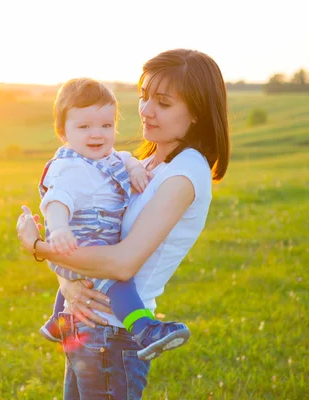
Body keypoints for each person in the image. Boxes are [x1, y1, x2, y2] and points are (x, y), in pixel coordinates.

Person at [16, 48, 230, 399]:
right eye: (144, 96)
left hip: (114, 336)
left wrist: (38, 248)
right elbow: (87, 226)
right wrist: (66, 283)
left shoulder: (186, 172)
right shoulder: (142, 162)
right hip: (86, 323)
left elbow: (122, 262)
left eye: (163, 102)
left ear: (196, 113)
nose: (145, 110)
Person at [37, 77, 191, 362]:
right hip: (81, 242)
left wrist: (134, 168)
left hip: (96, 241)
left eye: (106, 126)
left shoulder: (107, 156)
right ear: (63, 132)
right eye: (84, 127)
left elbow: (124, 157)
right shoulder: (69, 167)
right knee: (117, 282)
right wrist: (58, 228)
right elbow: (56, 200)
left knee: (99, 278)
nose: (97, 134)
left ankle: (58, 322)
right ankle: (144, 329)